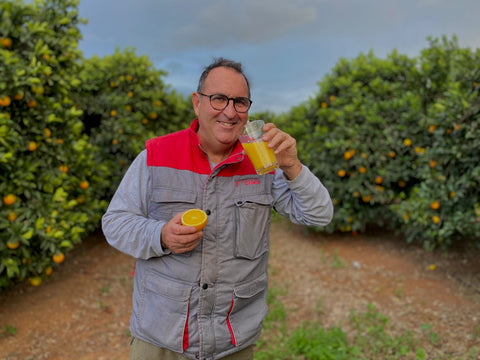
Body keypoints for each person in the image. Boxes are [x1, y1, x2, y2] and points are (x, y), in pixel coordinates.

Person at [102, 57, 333, 360]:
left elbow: (319, 214)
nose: (230, 111)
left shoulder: (263, 163)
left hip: (232, 341)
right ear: (197, 102)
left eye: (240, 102)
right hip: (161, 340)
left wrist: (292, 165)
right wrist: (161, 235)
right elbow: (115, 222)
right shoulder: (155, 155)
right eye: (219, 99)